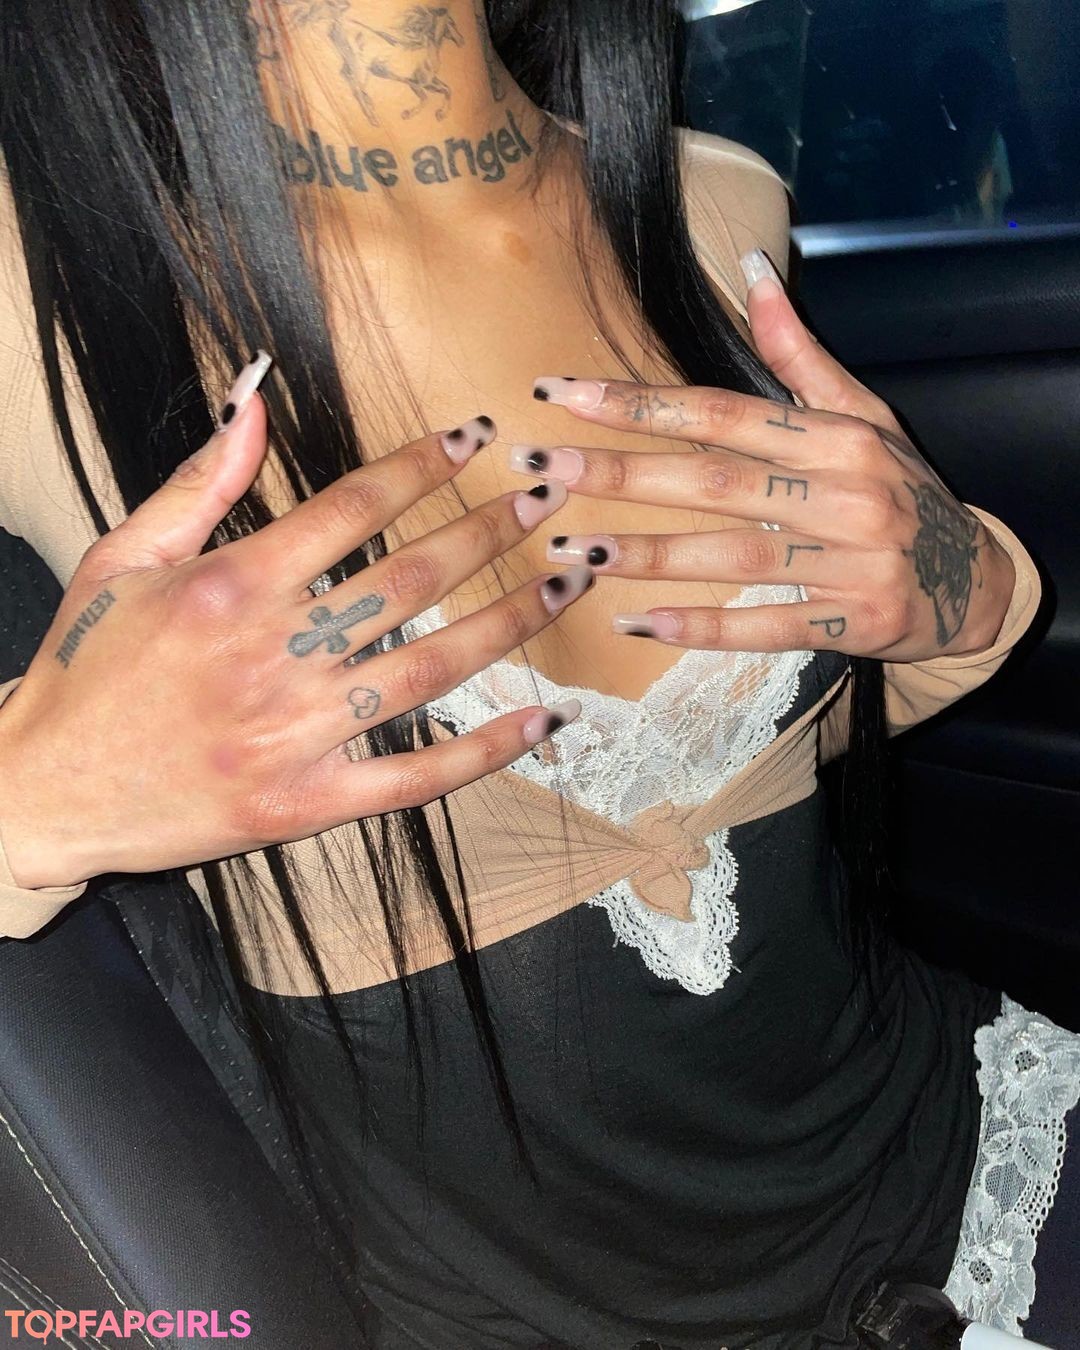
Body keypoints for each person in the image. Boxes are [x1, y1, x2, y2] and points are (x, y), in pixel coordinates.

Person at [0, 2, 1076, 1346]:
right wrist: (32, 802)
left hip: (973, 1150)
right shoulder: (34, 282)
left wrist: (964, 584)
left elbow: (790, 749)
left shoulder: (711, 200)